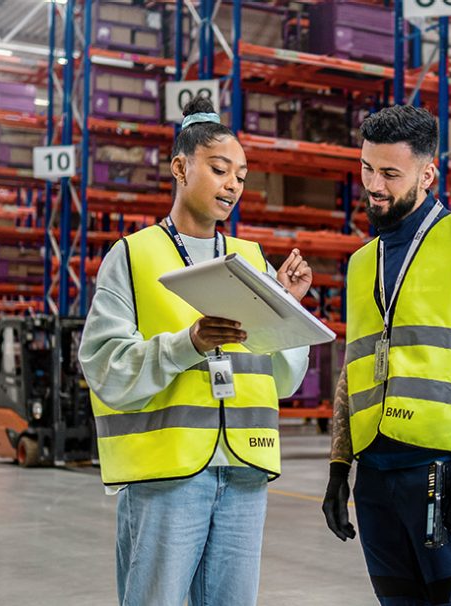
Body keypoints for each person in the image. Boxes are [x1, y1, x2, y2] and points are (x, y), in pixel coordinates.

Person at [77, 96, 316, 606]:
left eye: (242, 176)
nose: (233, 184)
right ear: (180, 168)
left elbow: (284, 379)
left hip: (246, 472)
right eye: (220, 169)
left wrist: (286, 310)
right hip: (167, 476)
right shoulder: (133, 256)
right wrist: (188, 344)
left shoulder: (252, 261)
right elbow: (105, 367)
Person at [322, 104, 451, 606]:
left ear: (427, 174)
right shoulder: (363, 262)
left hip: (443, 470)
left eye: (390, 173)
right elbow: (353, 367)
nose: (374, 185)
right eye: (367, 168)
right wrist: (339, 468)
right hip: (376, 473)